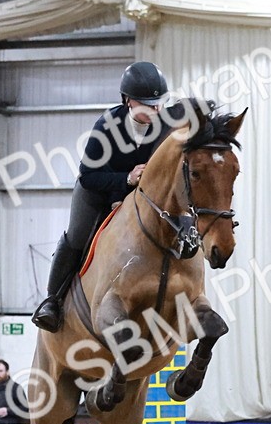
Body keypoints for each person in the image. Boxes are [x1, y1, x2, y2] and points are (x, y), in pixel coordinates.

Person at [31, 60, 173, 332]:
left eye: (159, 103)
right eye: (148, 104)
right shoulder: (108, 125)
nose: (156, 110)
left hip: (142, 196)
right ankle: (52, 301)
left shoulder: (165, 126)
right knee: (77, 236)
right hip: (97, 190)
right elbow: (88, 175)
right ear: (129, 101)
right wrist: (126, 179)